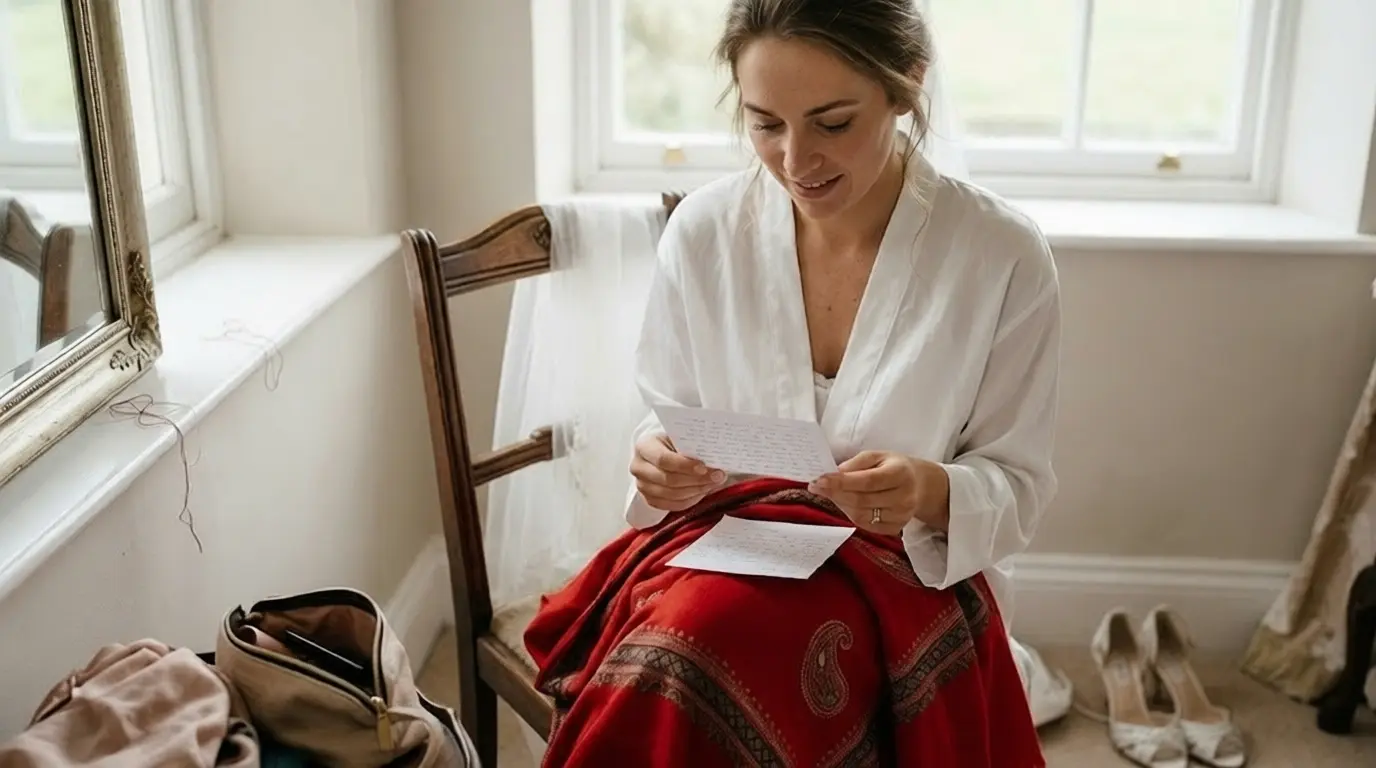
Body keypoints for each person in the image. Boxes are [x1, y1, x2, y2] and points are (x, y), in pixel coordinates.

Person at [523, 1, 1058, 765]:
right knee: (687, 649)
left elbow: (1020, 485)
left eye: (833, 123)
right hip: (724, 546)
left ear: (907, 86)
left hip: (902, 574)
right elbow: (668, 416)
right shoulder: (706, 231)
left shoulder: (1002, 257)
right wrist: (656, 458)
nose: (796, 160)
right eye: (765, 124)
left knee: (697, 653)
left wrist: (928, 488)